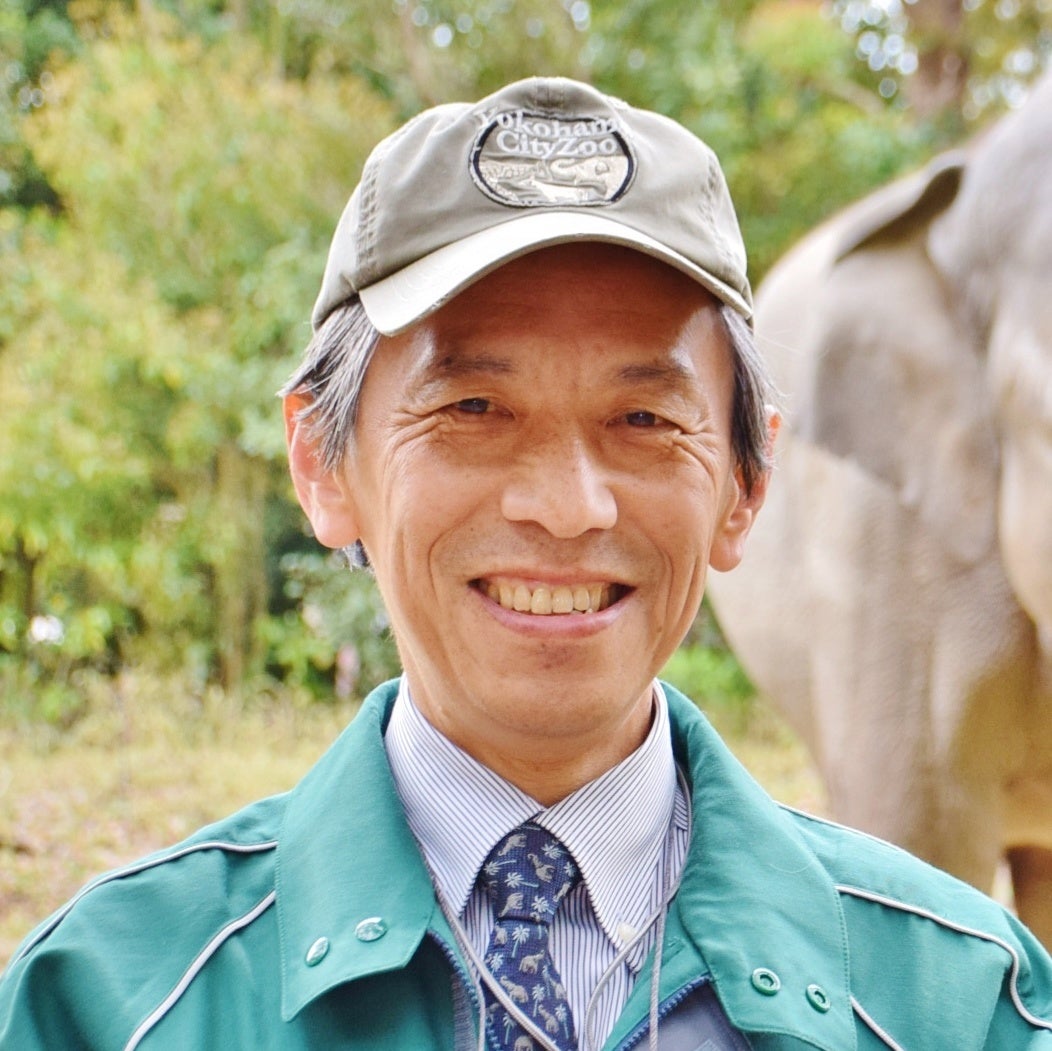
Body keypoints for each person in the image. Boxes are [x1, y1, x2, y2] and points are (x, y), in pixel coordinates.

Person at [1, 76, 1050, 1051]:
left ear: (745, 486)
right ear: (323, 466)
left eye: (642, 417)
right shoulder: (106, 1001)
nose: (564, 507)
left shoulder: (960, 1001)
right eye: (472, 409)